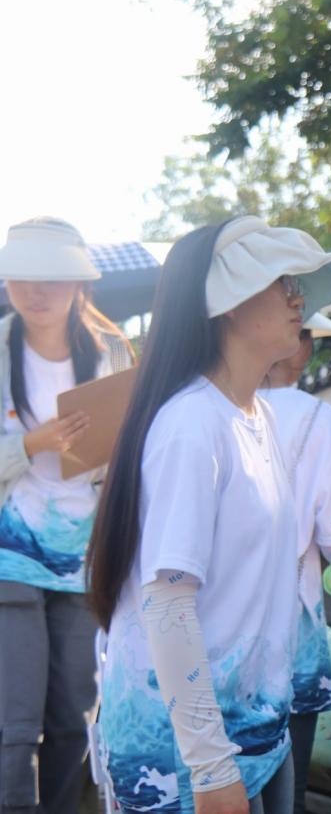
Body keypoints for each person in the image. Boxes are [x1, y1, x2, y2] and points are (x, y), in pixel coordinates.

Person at [86, 216, 331, 814]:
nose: (298, 299)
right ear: (228, 303)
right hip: (183, 763)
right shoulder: (192, 424)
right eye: (281, 283)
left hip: (255, 738)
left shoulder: (256, 417)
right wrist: (209, 765)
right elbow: (167, 602)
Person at [0, 217, 133, 813]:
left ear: (79, 283)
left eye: (52, 276)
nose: (36, 290)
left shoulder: (111, 353)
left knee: (74, 722)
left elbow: (135, 455)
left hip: (85, 562)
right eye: (22, 275)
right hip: (9, 560)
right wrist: (33, 443)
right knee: (14, 726)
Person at [258, 313, 331, 814]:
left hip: (208, 641)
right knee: (287, 792)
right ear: (302, 347)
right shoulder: (320, 419)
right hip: (290, 634)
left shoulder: (199, 409)